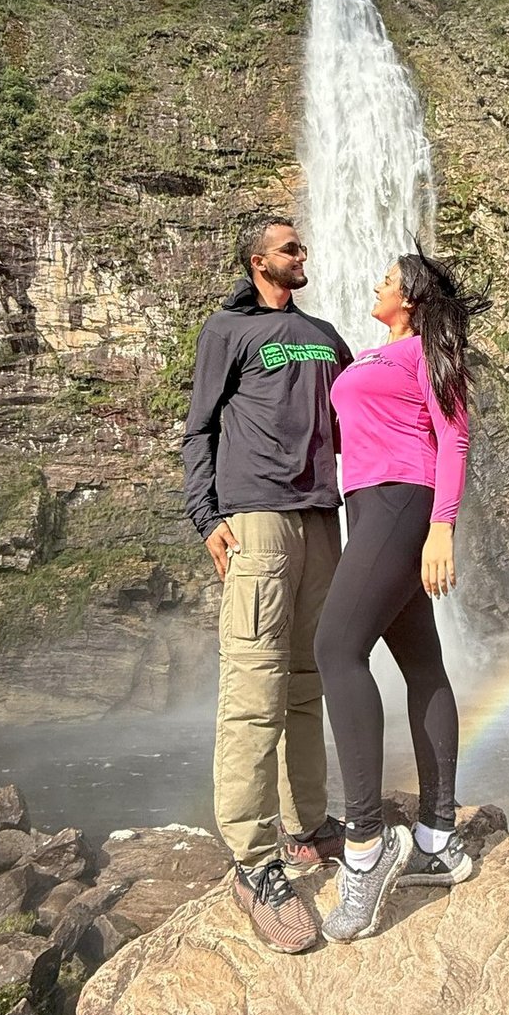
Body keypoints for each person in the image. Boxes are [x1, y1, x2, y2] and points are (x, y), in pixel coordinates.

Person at [182, 214, 353, 953]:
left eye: (301, 246)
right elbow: (200, 428)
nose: (301, 254)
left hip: (320, 517)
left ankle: (308, 825)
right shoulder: (228, 330)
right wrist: (206, 517)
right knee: (254, 689)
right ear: (259, 261)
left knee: (307, 682)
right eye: (289, 248)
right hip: (257, 517)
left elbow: (359, 415)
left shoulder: (323, 334)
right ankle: (254, 862)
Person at [315, 246, 489, 942]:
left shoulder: (426, 352)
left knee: (335, 649)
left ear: (411, 298)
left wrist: (442, 526)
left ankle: (366, 843)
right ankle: (438, 841)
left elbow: (455, 438)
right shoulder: (372, 355)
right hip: (367, 506)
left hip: (403, 501)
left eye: (387, 280)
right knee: (422, 664)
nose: (376, 285)